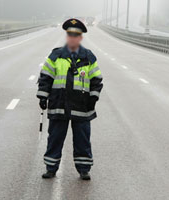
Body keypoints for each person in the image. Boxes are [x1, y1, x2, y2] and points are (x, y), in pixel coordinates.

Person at [37, 18, 103, 180]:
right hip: (59, 105)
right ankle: (51, 168)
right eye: (70, 35)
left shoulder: (88, 57)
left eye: (76, 35)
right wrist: (43, 96)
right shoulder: (56, 55)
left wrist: (93, 97)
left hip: (82, 107)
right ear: (67, 36)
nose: (73, 38)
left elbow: (96, 79)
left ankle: (84, 169)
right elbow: (45, 77)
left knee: (82, 140)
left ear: (80, 38)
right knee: (54, 138)